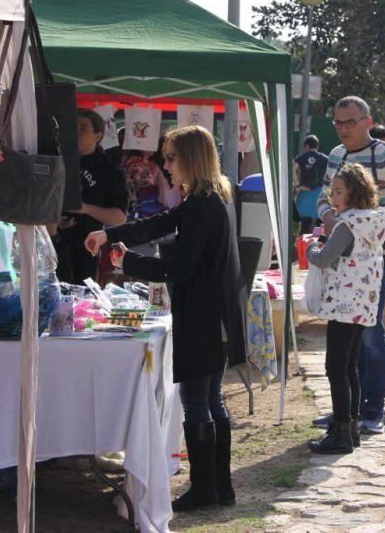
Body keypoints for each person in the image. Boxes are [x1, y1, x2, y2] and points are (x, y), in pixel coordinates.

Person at [85, 125, 246, 511]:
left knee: (198, 400)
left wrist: (128, 261)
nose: (165, 165)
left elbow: (182, 266)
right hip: (215, 315)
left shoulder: (204, 202)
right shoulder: (211, 196)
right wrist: (110, 235)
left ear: (190, 158)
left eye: (171, 157)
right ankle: (218, 487)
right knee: (210, 399)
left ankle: (206, 488)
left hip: (203, 316)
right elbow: (160, 224)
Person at [315, 97, 385, 435]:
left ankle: (374, 408)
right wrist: (331, 218)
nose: (343, 128)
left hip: (370, 260)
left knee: (369, 330)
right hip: (341, 257)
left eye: (350, 122)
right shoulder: (335, 155)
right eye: (338, 122)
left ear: (367, 121)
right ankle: (347, 409)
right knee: (345, 339)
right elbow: (323, 196)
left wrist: (379, 223)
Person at [305, 163, 385, 454]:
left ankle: (341, 430)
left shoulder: (347, 224)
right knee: (350, 366)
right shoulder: (373, 221)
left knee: (336, 367)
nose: (333, 196)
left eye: (338, 191)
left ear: (353, 193)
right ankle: (350, 427)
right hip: (363, 303)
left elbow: (325, 258)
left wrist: (309, 248)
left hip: (344, 303)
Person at [56, 110, 129, 285]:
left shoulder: (109, 171)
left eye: (83, 127)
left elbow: (119, 217)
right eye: (73, 127)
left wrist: (85, 208)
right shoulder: (56, 161)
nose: (76, 132)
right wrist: (55, 220)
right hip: (54, 242)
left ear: (98, 136)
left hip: (88, 249)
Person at [294, 135, 330, 234]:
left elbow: (293, 170)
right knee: (319, 221)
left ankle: (301, 243)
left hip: (305, 191)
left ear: (306, 145)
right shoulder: (325, 159)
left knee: (303, 221)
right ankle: (316, 243)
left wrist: (298, 185)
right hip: (319, 191)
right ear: (317, 146)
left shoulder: (301, 157)